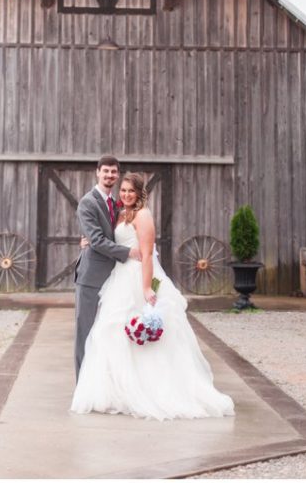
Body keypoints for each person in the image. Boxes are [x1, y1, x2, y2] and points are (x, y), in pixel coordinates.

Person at [71, 172, 235, 419]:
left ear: (139, 193)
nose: (126, 194)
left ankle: (149, 389)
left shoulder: (143, 215)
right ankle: (116, 391)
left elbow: (147, 255)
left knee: (140, 337)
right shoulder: (120, 212)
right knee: (110, 333)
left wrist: (147, 288)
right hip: (118, 278)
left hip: (137, 277)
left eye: (131, 191)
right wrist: (87, 242)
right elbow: (102, 237)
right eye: (123, 190)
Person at [74, 156, 139, 381]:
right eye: (106, 171)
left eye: (113, 172)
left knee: (107, 332)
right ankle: (82, 385)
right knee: (86, 332)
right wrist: (128, 252)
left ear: (117, 175)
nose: (109, 175)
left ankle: (106, 382)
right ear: (97, 172)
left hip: (116, 277)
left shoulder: (117, 203)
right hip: (91, 277)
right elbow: (98, 240)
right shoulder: (88, 202)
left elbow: (106, 235)